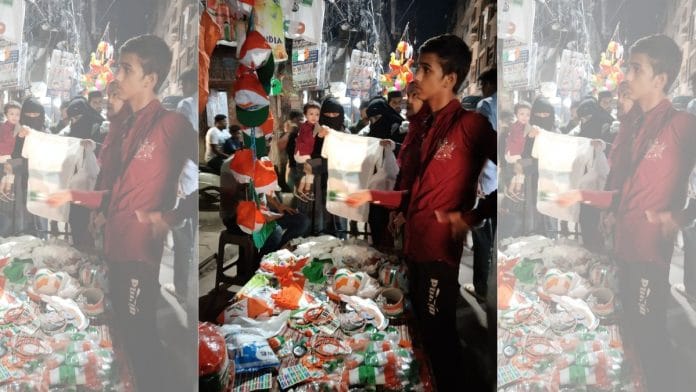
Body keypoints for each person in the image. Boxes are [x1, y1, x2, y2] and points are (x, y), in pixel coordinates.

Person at [46, 34, 197, 391]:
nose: (118, 75)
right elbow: (116, 194)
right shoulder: (128, 125)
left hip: (140, 254)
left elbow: (201, 182)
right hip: (116, 245)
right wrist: (72, 194)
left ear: (150, 79)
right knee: (127, 333)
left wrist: (172, 217)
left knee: (140, 335)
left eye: (126, 69)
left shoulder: (171, 125)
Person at [346, 34, 496, 391]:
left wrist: (473, 216)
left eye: (425, 69)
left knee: (440, 336)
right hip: (416, 244)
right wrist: (372, 195)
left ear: (450, 79)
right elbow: (416, 196)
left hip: (439, 253)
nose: (417, 75)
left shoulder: (471, 125)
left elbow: (518, 180)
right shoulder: (428, 126)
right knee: (426, 332)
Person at [557, 34, 696, 391]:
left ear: (660, 79)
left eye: (636, 69)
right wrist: (580, 194)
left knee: (651, 336)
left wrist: (682, 216)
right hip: (623, 245)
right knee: (632, 328)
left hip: (651, 254)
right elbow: (624, 195)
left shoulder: (682, 125)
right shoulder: (634, 126)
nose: (627, 76)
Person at [469, 66, 497, 299]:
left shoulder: (485, 105)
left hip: (488, 178)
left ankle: (481, 288)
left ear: (488, 84)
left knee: (482, 236)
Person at [294, 101, 321, 167]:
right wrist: (315, 132)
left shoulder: (312, 125)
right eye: (311, 114)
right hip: (302, 155)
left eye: (317, 114)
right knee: (319, 164)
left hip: (304, 154)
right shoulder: (306, 127)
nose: (314, 117)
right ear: (305, 115)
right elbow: (308, 140)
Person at [283, 109, 304, 191]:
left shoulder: (303, 131)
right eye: (300, 119)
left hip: (301, 167)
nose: (301, 122)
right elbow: (281, 146)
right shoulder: (290, 133)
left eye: (301, 120)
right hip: (293, 167)